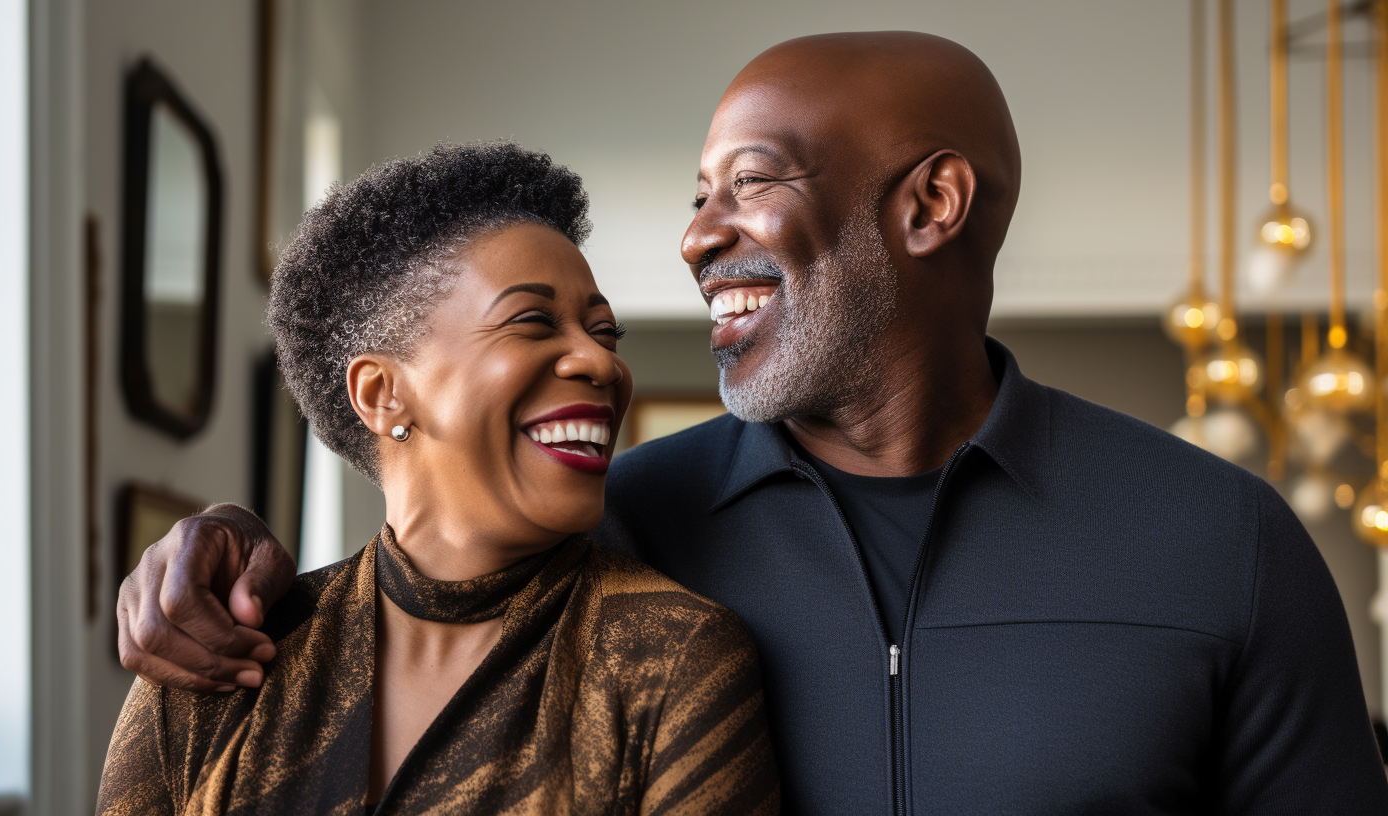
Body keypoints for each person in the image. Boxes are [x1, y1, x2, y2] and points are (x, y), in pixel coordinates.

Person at [117, 33, 1388, 814]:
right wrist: (216, 550)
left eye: (751, 183)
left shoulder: (1220, 542)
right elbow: (413, 575)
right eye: (693, 195)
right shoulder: (614, 526)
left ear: (932, 202)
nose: (693, 237)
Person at [97, 142, 779, 815]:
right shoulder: (208, 658)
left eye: (604, 333)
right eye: (534, 322)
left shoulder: (673, 659)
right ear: (382, 393)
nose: (600, 364)